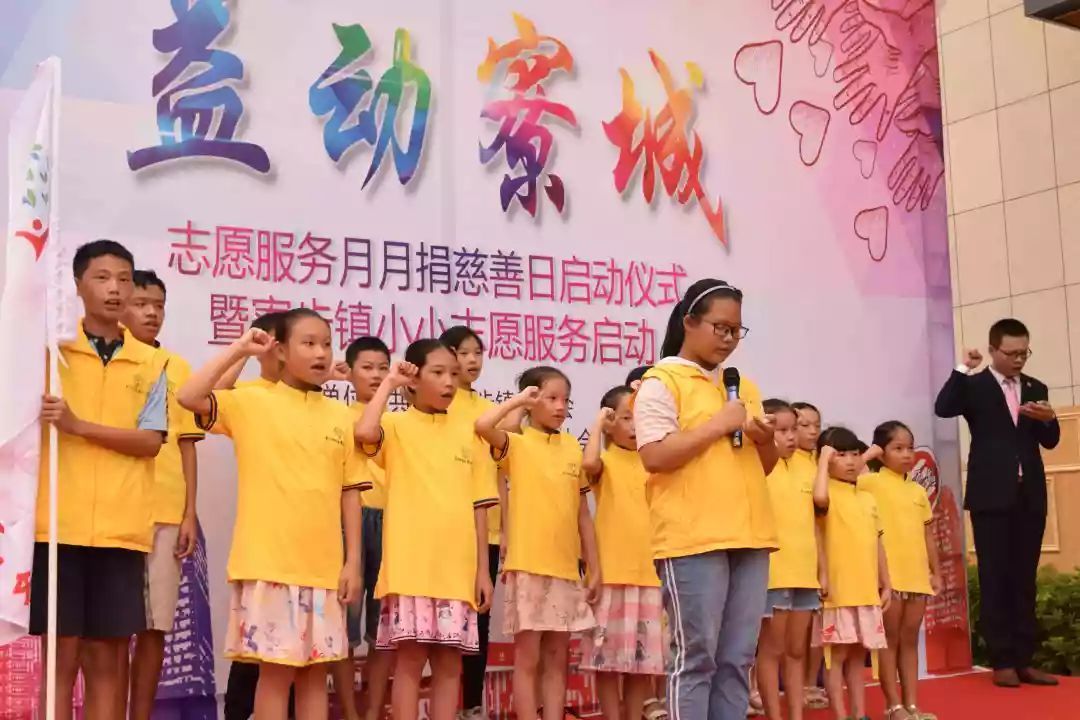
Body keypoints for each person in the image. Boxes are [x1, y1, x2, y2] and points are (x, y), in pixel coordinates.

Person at [177, 309, 364, 720]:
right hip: (269, 566)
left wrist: (353, 562)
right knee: (276, 675)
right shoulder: (250, 401)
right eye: (308, 343)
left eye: (326, 344)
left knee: (315, 675)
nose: (321, 353)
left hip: (323, 571)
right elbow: (189, 396)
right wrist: (240, 350)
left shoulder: (340, 416)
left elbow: (350, 492)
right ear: (280, 351)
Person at [32, 240, 169, 720]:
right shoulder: (50, 352)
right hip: (57, 527)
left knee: (108, 659)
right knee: (60, 655)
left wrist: (78, 426)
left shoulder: (151, 363)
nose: (115, 289)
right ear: (77, 285)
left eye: (124, 279)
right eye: (102, 278)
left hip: (121, 530)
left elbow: (151, 441)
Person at [631, 278, 778, 720]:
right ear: (689, 322)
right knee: (696, 657)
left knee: (737, 660)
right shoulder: (661, 381)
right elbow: (655, 456)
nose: (729, 339)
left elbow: (764, 466)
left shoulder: (743, 387)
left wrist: (765, 440)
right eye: (720, 328)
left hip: (750, 536)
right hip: (692, 540)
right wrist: (718, 424)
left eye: (736, 330)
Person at [354, 339, 497, 720]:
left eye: (453, 374)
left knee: (449, 665)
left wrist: (482, 571)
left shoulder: (471, 433)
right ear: (414, 379)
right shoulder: (395, 425)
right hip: (410, 570)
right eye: (438, 373)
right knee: (410, 663)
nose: (449, 382)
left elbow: (480, 507)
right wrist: (389, 383)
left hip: (457, 571)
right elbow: (365, 432)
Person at [934, 318, 1060, 688]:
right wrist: (962, 368)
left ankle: (1024, 660)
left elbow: (1050, 441)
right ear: (993, 350)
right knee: (994, 576)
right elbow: (944, 407)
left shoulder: (1035, 387)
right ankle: (1002, 660)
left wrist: (1050, 420)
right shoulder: (975, 386)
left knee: (1024, 578)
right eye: (1011, 353)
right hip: (991, 494)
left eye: (1024, 352)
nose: (1019, 359)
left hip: (1029, 495)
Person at [475, 366, 601, 720]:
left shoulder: (572, 448)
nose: (560, 407)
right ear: (532, 400)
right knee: (527, 658)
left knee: (558, 660)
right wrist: (518, 401)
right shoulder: (516, 444)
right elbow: (483, 426)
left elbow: (583, 515)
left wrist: (594, 567)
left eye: (565, 400)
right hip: (528, 567)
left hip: (566, 570)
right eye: (551, 398)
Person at [121, 270, 204, 720]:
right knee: (112, 629)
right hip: (115, 511)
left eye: (158, 305)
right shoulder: (109, 362)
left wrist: (189, 513)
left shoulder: (178, 368)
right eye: (141, 304)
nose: (151, 313)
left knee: (156, 627)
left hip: (167, 511)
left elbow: (188, 444)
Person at [580, 385, 666, 720]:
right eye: (626, 418)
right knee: (607, 662)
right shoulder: (605, 462)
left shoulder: (655, 463)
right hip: (612, 575)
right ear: (610, 422)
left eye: (639, 418)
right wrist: (598, 424)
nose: (634, 426)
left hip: (651, 575)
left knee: (640, 665)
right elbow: (589, 462)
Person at [326, 337, 394, 720]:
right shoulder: (336, 414)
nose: (376, 375)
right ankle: (350, 712)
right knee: (344, 627)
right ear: (349, 372)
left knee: (383, 630)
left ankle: (372, 712)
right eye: (367, 367)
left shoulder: (397, 420)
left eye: (383, 367)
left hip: (392, 522)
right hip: (349, 521)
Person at [439, 326, 500, 720]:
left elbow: (500, 469)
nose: (473, 360)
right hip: (447, 527)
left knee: (480, 621)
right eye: (464, 353)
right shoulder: (439, 403)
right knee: (443, 621)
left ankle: (472, 705)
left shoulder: (487, 407)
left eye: (478, 352)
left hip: (486, 527)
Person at [860, 422, 940, 720]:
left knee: (909, 641)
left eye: (910, 448)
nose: (907, 454)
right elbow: (842, 477)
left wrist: (936, 571)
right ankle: (893, 706)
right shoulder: (870, 482)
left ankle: (912, 705)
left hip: (917, 576)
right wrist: (869, 454)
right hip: (889, 577)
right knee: (889, 640)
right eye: (898, 448)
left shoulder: (917, 490)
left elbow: (927, 535)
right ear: (881, 452)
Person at [812, 428, 891, 720]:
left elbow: (878, 542)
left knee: (858, 656)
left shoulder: (867, 498)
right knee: (837, 657)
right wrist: (823, 461)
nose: (850, 461)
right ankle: (841, 715)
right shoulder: (824, 491)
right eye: (840, 455)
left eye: (855, 454)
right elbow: (820, 499)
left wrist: (886, 583)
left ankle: (859, 714)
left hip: (866, 590)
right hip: (838, 591)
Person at [756, 399, 823, 720]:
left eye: (793, 429)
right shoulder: (757, 466)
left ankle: (796, 714)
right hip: (772, 573)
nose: (791, 436)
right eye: (781, 430)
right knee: (772, 650)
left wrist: (823, 570)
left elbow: (818, 525)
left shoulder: (809, 467)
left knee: (797, 651)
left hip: (805, 572)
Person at [789, 401, 828, 712]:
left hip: (825, 550)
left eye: (817, 425)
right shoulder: (782, 462)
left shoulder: (822, 463)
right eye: (804, 425)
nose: (812, 431)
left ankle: (811, 682)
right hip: (791, 557)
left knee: (817, 629)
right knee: (787, 634)